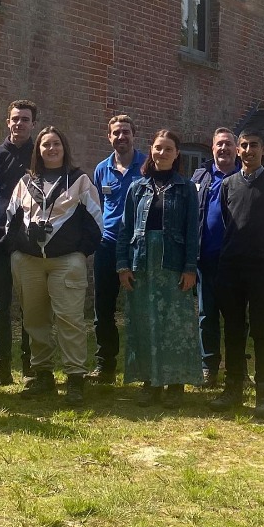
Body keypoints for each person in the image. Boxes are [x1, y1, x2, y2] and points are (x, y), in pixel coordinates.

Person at [5, 126, 103, 405]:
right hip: (29, 262)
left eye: (56, 144)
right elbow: (9, 220)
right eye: (45, 144)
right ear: (38, 150)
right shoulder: (25, 182)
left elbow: (96, 222)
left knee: (69, 320)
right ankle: (43, 375)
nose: (51, 148)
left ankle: (75, 378)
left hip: (66, 262)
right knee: (35, 321)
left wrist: (80, 252)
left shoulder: (80, 180)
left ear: (64, 147)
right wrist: (21, 244)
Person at [209, 129, 264, 418]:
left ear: (263, 149)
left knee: (261, 330)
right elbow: (225, 223)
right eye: (243, 146)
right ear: (238, 151)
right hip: (230, 267)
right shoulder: (228, 184)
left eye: (253, 145)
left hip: (260, 268)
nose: (248, 150)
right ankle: (232, 388)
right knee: (232, 330)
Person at [116, 130, 200, 407]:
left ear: (177, 154)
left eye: (168, 149)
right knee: (144, 321)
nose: (161, 153)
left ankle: (176, 384)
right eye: (157, 148)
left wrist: (190, 268)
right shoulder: (136, 187)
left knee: (175, 325)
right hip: (141, 262)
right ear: (150, 151)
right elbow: (125, 229)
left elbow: (192, 232)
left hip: (173, 264)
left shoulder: (186, 188)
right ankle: (150, 382)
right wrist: (123, 265)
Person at [0, 100, 37, 389]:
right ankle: (0, 368)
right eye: (15, 119)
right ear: (7, 122)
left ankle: (30, 368)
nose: (20, 124)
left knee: (29, 307)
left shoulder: (41, 154)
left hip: (28, 244)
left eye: (25, 119)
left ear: (33, 124)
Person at [88, 115, 146, 384]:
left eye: (126, 132)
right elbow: (97, 206)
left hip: (139, 246)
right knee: (103, 309)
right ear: (108, 136)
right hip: (108, 245)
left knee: (141, 309)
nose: (121, 137)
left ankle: (143, 367)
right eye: (116, 133)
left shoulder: (147, 165)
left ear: (134, 135)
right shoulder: (101, 169)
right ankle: (105, 365)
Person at [191, 127, 241, 387]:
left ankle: (238, 370)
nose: (223, 149)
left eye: (228, 144)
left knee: (235, 318)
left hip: (235, 261)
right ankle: (208, 366)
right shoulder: (201, 176)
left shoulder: (245, 175)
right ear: (212, 149)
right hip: (206, 260)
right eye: (219, 144)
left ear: (237, 148)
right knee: (206, 315)